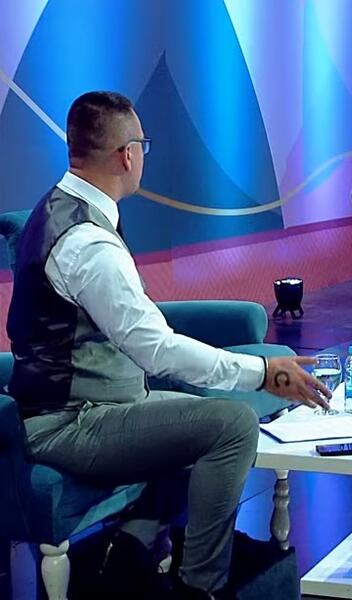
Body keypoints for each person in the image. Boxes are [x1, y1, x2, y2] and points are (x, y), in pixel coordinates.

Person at [7, 91, 331, 599]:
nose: (143, 156)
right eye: (143, 145)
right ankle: (200, 586)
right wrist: (261, 373)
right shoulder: (86, 242)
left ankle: (131, 548)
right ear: (127, 155)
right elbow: (154, 348)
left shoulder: (64, 210)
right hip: (71, 422)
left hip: (99, 406)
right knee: (232, 424)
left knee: (194, 412)